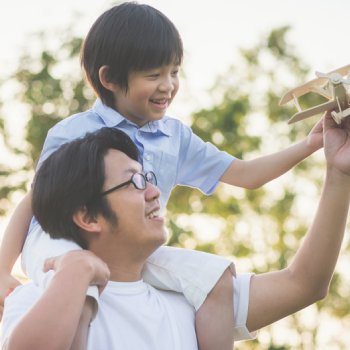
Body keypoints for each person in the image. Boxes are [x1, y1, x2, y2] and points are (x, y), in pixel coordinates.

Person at [0, 2, 323, 349]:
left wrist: (311, 144)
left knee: (215, 278)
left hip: (130, 247)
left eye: (174, 72)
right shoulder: (76, 132)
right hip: (59, 242)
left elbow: (246, 174)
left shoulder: (174, 137)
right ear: (109, 78)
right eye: (154, 75)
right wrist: (3, 269)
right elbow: (34, 202)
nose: (168, 85)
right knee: (80, 279)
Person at [2, 117, 350, 350]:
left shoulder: (191, 298)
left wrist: (339, 172)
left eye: (149, 178)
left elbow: (304, 284)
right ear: (88, 217)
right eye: (135, 182)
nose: (154, 192)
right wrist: (75, 272)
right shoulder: (40, 302)